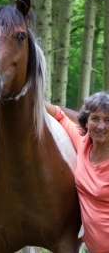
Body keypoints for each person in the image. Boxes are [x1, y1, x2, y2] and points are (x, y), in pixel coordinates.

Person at [45, 92, 109, 253]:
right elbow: (59, 114)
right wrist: (26, 94)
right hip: (93, 248)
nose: (101, 126)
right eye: (95, 118)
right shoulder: (84, 142)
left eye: (108, 120)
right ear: (86, 122)